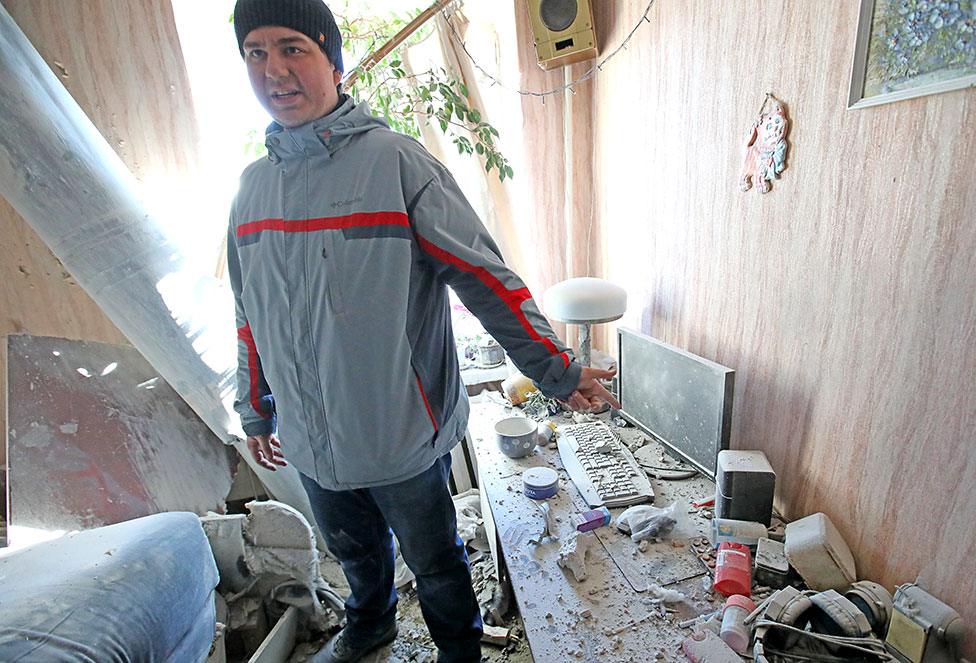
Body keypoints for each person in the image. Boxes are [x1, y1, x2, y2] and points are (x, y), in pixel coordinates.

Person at [227, 1, 618, 661]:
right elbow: (249, 310)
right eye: (257, 53)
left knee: (436, 563)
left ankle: (459, 649)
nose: (275, 70)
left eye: (293, 48)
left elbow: (485, 279)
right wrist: (257, 407)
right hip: (312, 441)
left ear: (333, 60)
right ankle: (371, 625)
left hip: (401, 433)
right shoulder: (251, 189)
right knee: (354, 553)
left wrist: (556, 368)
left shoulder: (396, 164)